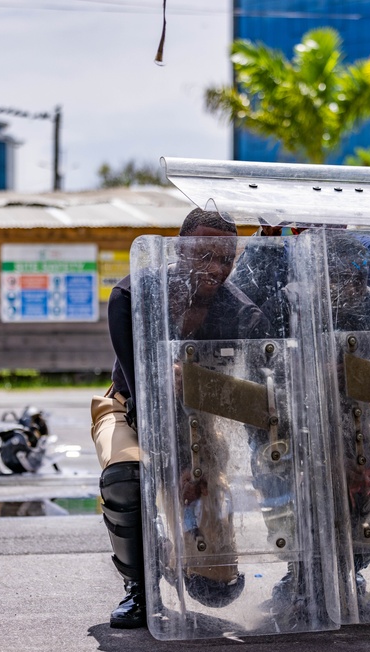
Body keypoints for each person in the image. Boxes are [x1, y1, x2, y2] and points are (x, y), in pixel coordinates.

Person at [90, 208, 267, 629]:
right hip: (131, 408)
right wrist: (178, 466)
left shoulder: (242, 314)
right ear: (179, 249)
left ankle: (171, 554)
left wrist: (262, 456)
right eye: (203, 255)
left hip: (202, 422)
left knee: (216, 589)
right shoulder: (133, 296)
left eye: (225, 258)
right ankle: (139, 588)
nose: (215, 268)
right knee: (125, 477)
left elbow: (257, 395)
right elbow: (145, 389)